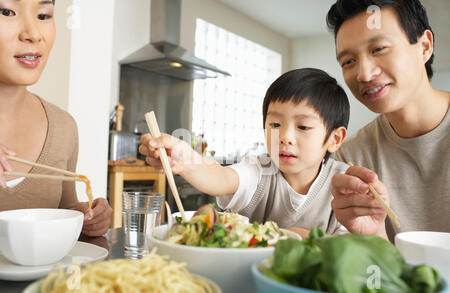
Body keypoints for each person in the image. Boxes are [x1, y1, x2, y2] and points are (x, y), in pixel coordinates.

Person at [140, 68, 350, 237]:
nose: (285, 137)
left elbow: (352, 248)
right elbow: (221, 177)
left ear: (335, 139)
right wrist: (184, 158)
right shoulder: (260, 169)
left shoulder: (344, 183)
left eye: (303, 127)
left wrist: (304, 237)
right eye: (275, 124)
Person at [326, 0, 450, 241]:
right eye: (349, 61)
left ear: (424, 46)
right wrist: (375, 236)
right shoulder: (353, 160)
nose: (364, 74)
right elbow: (383, 274)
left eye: (378, 49)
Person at [0, 0, 111, 237]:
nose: (33, 34)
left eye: (43, 15)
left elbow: (64, 208)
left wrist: (84, 216)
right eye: (6, 11)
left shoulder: (63, 127)